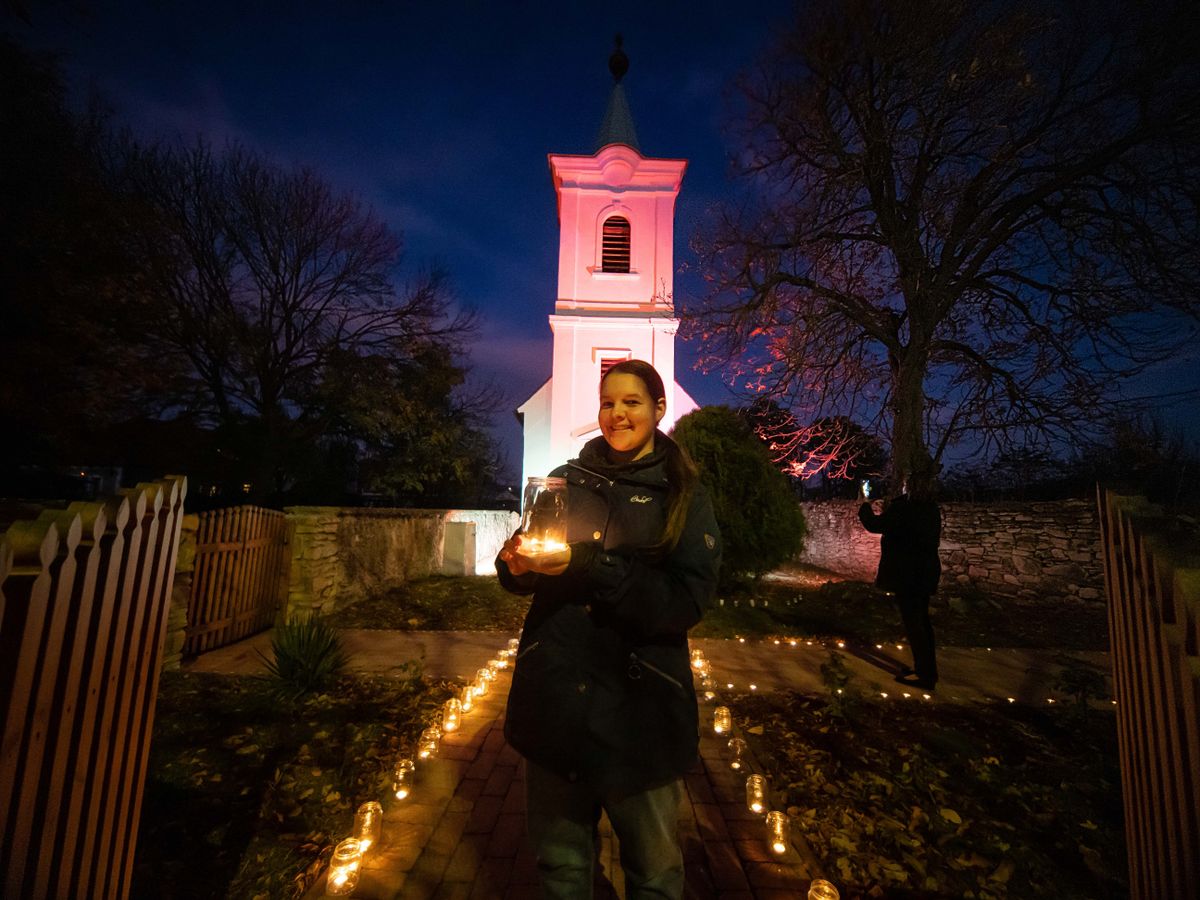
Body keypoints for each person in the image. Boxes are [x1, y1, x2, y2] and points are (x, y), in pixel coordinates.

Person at [497, 359, 721, 899]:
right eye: (607, 402)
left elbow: (687, 601)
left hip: (640, 715)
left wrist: (594, 568)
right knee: (561, 869)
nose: (616, 414)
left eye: (631, 402)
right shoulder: (566, 480)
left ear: (659, 409)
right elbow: (527, 559)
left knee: (655, 875)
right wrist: (515, 565)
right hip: (555, 703)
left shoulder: (683, 496)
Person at [858, 474, 942, 690]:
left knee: (915, 623)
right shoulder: (931, 508)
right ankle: (925, 669)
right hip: (924, 573)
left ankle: (925, 676)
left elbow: (875, 525)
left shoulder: (905, 508)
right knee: (922, 622)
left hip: (907, 575)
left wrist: (865, 505)